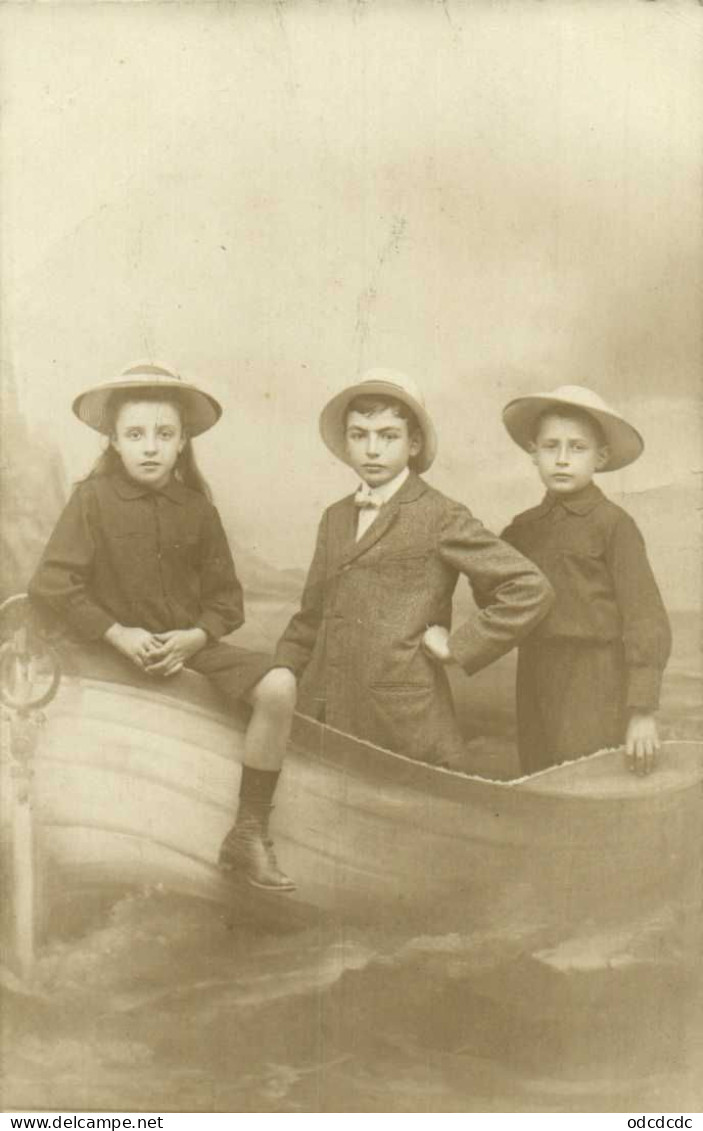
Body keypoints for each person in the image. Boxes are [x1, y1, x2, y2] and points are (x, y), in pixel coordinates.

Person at [28, 364, 297, 891]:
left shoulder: (197, 509)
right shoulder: (92, 500)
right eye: (135, 434)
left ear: (182, 443)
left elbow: (227, 602)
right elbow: (52, 585)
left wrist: (195, 636)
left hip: (184, 648)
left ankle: (248, 831)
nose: (150, 447)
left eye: (164, 434)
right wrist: (116, 633)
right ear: (114, 441)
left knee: (280, 685)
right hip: (110, 650)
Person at [274, 368, 554, 768]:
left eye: (388, 436)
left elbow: (529, 587)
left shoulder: (439, 514)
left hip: (403, 721)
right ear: (346, 442)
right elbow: (311, 615)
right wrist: (284, 670)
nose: (373, 450)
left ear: (414, 443)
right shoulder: (335, 517)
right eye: (359, 435)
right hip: (324, 708)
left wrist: (458, 646)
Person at [501, 384, 672, 776]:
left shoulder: (613, 525)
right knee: (538, 779)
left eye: (577, 448)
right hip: (534, 672)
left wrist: (642, 710)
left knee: (587, 782)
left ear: (601, 457)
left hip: (595, 679)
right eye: (550, 446)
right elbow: (494, 594)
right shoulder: (521, 529)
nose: (562, 459)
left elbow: (645, 617)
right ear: (533, 453)